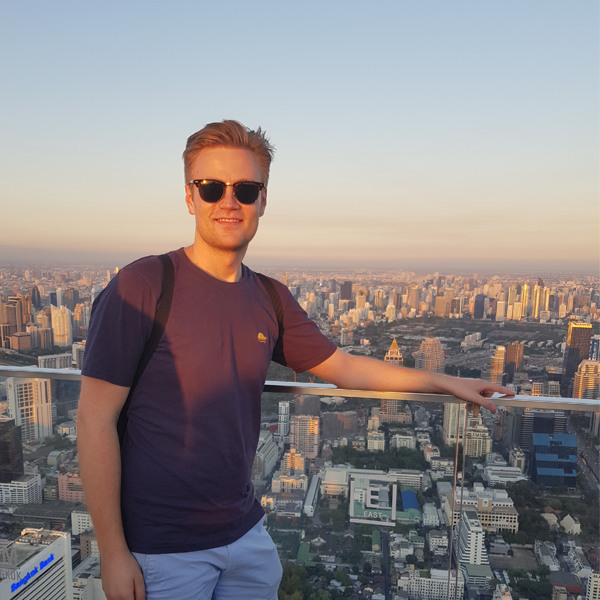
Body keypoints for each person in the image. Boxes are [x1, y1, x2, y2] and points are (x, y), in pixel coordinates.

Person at [78, 120, 513, 600]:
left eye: (245, 189)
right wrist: (113, 551)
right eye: (211, 188)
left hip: (245, 535)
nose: (229, 202)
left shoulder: (269, 297)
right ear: (189, 197)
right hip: (163, 551)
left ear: (263, 200)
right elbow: (95, 420)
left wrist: (445, 383)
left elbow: (344, 367)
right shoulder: (143, 287)